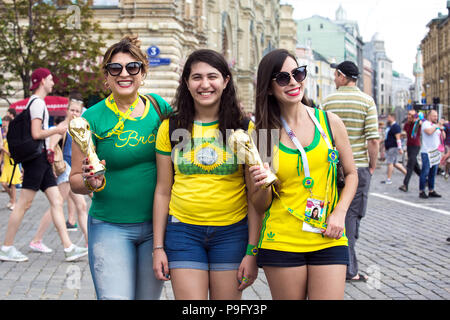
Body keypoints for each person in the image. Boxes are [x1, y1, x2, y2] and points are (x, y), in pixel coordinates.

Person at [248, 49, 358, 300]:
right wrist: (262, 184)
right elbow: (259, 204)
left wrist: (339, 213)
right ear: (268, 87)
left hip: (328, 235)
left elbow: (352, 174)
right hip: (282, 240)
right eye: (283, 78)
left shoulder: (330, 122)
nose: (294, 82)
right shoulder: (262, 133)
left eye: (298, 73)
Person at [152, 49, 260, 300]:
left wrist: (252, 251)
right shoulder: (170, 127)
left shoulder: (245, 128)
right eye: (196, 77)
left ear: (225, 81)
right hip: (183, 233)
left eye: (212, 76)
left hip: (232, 233)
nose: (205, 84)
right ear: (187, 83)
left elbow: (256, 197)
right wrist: (158, 247)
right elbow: (162, 190)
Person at [69, 35, 172, 300]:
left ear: (143, 72)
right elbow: (75, 181)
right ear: (106, 75)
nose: (124, 74)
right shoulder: (90, 118)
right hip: (110, 226)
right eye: (115, 68)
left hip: (156, 228)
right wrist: (90, 181)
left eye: (132, 67)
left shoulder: (160, 108)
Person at [0, 68, 88, 262]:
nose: (53, 82)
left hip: (41, 160)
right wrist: (56, 129)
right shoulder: (38, 103)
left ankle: (68, 247)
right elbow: (36, 133)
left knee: (57, 201)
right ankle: (6, 247)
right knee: (24, 203)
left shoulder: (36, 103)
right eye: (50, 79)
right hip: (36, 159)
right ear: (41, 81)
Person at [323, 60, 380, 282]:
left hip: (331, 166)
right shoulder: (367, 101)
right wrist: (372, 164)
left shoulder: (327, 101)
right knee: (351, 216)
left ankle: (335, 261)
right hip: (358, 166)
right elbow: (373, 139)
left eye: (335, 75)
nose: (334, 79)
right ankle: (348, 268)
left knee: (333, 211)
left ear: (342, 76)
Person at [29, 94, 89, 253]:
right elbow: (50, 147)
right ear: (67, 110)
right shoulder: (63, 126)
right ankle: (36, 239)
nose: (75, 113)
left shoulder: (76, 127)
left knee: (80, 206)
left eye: (78, 111)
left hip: (71, 172)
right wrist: (52, 168)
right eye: (73, 110)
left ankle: (89, 243)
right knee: (57, 205)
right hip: (64, 172)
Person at [419, 110, 444, 199]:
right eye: (434, 116)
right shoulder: (426, 124)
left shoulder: (435, 126)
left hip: (435, 152)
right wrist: (437, 126)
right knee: (425, 172)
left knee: (433, 173)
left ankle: (431, 190)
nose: (436, 118)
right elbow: (429, 132)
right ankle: (421, 191)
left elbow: (442, 137)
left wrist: (441, 129)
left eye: (436, 116)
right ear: (429, 116)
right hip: (427, 152)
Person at [0, 116, 22, 210]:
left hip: (13, 165)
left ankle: (13, 202)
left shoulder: (14, 141)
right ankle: (12, 199)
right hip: (6, 165)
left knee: (13, 185)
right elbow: (2, 153)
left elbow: (11, 153)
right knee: (3, 183)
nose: (6, 130)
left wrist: (3, 149)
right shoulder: (5, 140)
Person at [399, 110, 422, 192]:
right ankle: (425, 179)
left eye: (411, 115)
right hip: (409, 146)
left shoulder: (417, 123)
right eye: (408, 114)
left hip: (416, 146)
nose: (409, 116)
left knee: (410, 165)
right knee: (415, 165)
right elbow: (405, 133)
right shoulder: (406, 124)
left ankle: (405, 184)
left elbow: (419, 122)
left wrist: (415, 117)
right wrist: (401, 135)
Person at [381, 113, 406, 184]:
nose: (387, 119)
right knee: (394, 163)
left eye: (388, 117)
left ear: (392, 118)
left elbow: (398, 138)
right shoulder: (390, 126)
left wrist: (399, 147)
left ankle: (388, 179)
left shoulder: (395, 127)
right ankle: (407, 174)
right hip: (390, 146)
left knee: (390, 162)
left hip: (393, 146)